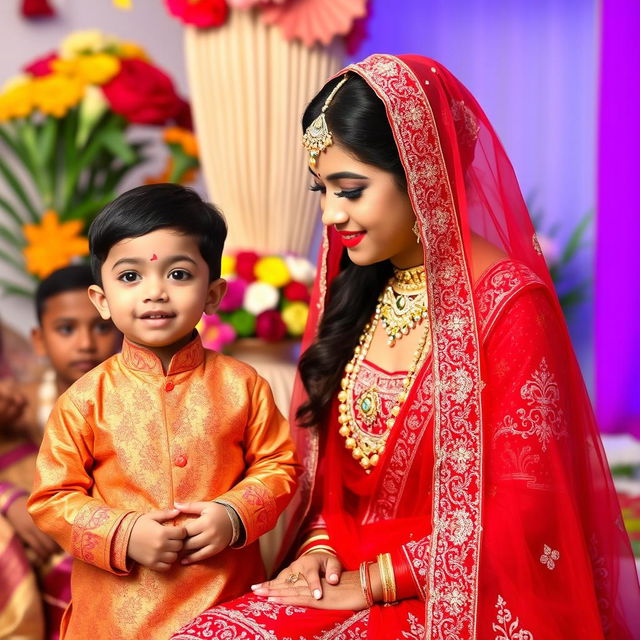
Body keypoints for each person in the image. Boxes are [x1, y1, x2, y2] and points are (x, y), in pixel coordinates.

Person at [170, 54, 640, 640]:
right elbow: (331, 478)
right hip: (346, 562)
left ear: (425, 172)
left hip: (469, 584)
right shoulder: (359, 288)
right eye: (322, 190)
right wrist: (318, 545)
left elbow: (529, 510)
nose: (331, 214)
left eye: (351, 190)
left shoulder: (507, 303)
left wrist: (379, 580)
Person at [27, 184, 300, 639]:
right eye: (130, 277)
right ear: (102, 300)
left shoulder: (244, 385)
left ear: (213, 295)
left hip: (225, 605)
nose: (155, 292)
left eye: (178, 275)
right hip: (113, 619)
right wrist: (123, 533)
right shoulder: (84, 399)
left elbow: (280, 464)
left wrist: (233, 515)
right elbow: (52, 499)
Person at [1, 264, 121, 639]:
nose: (85, 343)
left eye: (101, 326)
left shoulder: (143, 400)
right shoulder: (22, 404)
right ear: (39, 340)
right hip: (37, 548)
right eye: (66, 329)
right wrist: (7, 500)